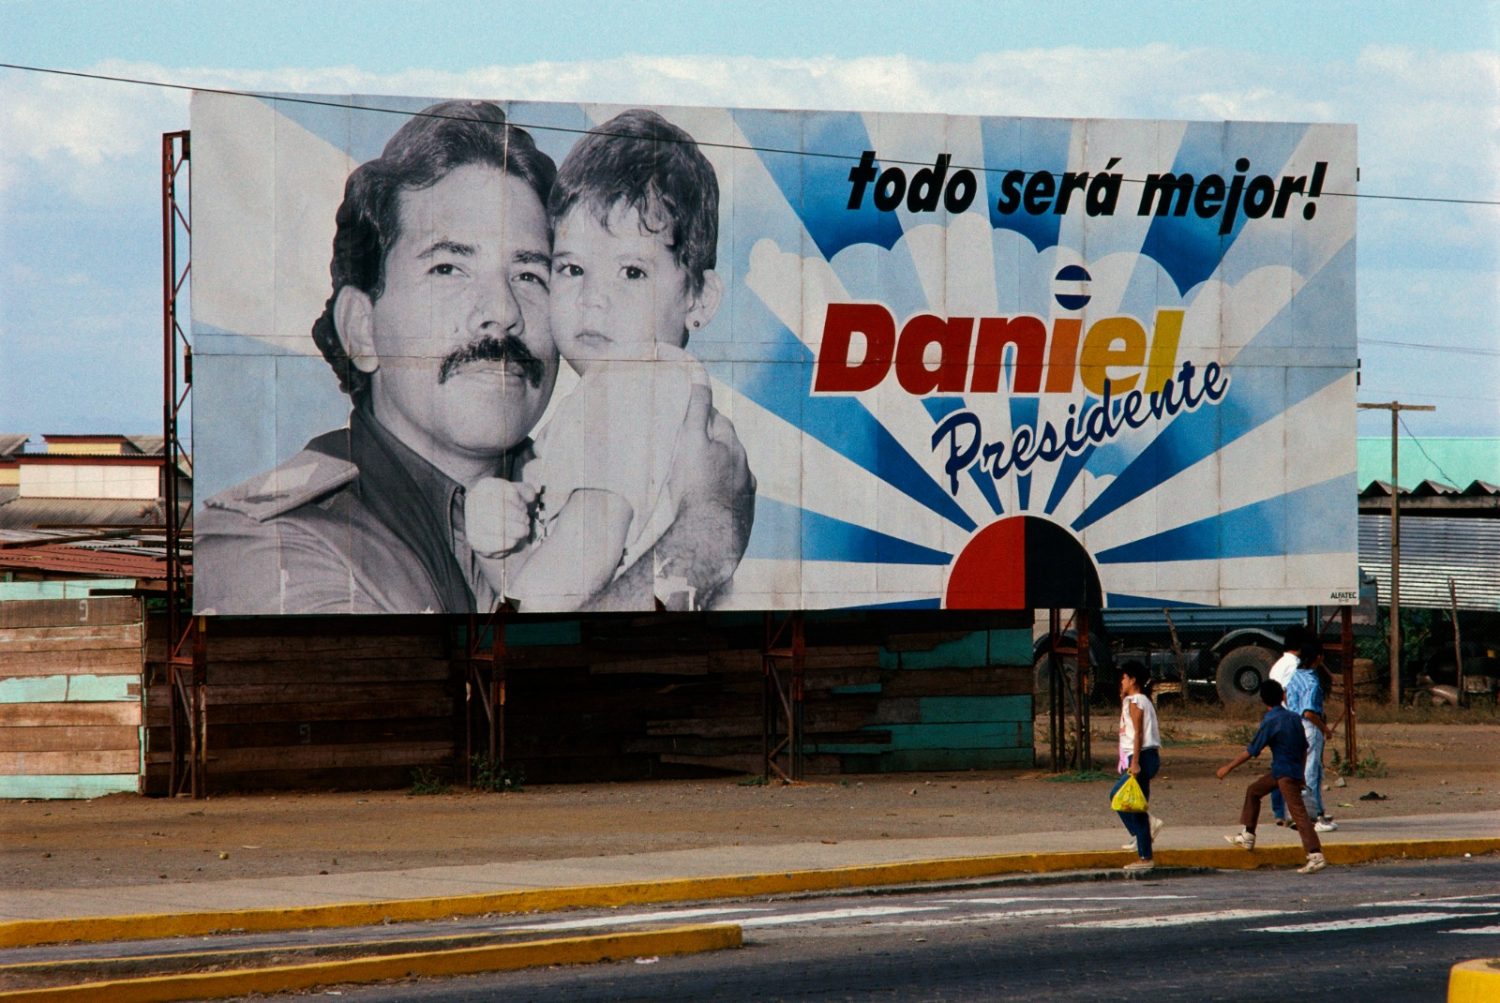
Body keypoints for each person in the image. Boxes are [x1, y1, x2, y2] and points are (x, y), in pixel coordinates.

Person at [195, 100, 753, 615]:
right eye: (449, 269)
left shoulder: (604, 428)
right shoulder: (269, 542)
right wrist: (704, 534)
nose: (502, 310)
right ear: (361, 330)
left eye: (531, 273)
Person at [468, 109, 728, 611]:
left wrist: (517, 628)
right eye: (572, 268)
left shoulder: (637, 384)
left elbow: (589, 544)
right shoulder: (622, 395)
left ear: (699, 298)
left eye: (632, 272)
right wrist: (497, 540)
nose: (592, 298)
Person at [1216, 678, 1327, 874]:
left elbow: (1252, 750)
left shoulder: (1270, 721)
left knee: (1299, 814)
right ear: (1283, 696)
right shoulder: (1294, 717)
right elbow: (1304, 748)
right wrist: (1301, 774)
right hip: (1286, 771)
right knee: (1253, 791)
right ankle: (1248, 835)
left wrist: (1228, 767)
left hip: (1283, 774)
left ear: (1263, 701)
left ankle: (1315, 854)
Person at [1111, 661, 1163, 872]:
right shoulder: (1136, 700)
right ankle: (1144, 849)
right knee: (1136, 804)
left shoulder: (1136, 700)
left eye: (1124, 678)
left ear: (1133, 680)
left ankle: (1144, 851)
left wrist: (1134, 762)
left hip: (1142, 756)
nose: (1121, 682)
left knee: (1118, 796)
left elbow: (1139, 733)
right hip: (1143, 756)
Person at [1286, 639, 1339, 832]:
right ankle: (1312, 816)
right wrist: (1326, 730)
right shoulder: (1312, 681)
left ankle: (1300, 812)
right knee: (1311, 771)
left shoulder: (1293, 676)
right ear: (1317, 658)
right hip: (1309, 727)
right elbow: (1309, 712)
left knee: (1297, 770)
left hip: (1293, 725)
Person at [1267, 624, 1309, 828]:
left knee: (1278, 765)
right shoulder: (1296, 666)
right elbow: (1292, 693)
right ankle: (1296, 811)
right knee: (1294, 768)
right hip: (1291, 720)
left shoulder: (1277, 665)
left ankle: (1278, 812)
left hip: (1275, 717)